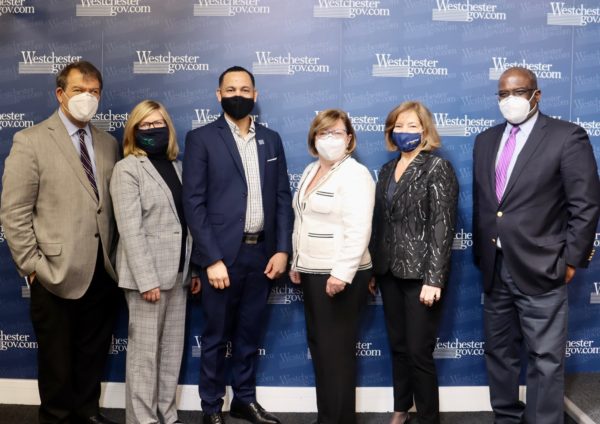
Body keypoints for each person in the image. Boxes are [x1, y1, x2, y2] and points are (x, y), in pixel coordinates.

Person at [473, 66, 600, 424]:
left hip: (543, 266)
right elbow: (487, 205)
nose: (509, 100)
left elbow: (585, 204)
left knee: (545, 358)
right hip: (495, 269)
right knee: (499, 352)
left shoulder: (566, 136)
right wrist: (484, 256)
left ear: (536, 95)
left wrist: (571, 259)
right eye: (503, 94)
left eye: (518, 91)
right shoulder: (485, 141)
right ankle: (507, 418)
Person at [0, 61, 120, 424]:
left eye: (94, 91)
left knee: (92, 353)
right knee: (56, 361)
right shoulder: (32, 140)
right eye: (79, 90)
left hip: (101, 269)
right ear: (60, 94)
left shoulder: (108, 143)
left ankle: (87, 411)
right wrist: (32, 267)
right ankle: (56, 417)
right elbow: (14, 211)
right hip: (53, 272)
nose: (87, 98)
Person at [182, 66, 293, 424]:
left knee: (249, 333)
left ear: (255, 95)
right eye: (231, 88)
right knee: (215, 336)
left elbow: (281, 197)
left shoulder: (271, 140)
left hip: (261, 254)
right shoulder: (201, 138)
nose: (238, 94)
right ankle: (211, 406)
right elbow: (193, 203)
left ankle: (244, 399)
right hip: (221, 257)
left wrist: (281, 249)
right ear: (218, 95)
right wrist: (211, 259)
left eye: (245, 89)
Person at [110, 100, 201, 424]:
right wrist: (146, 279)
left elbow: (184, 224)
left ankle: (167, 412)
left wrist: (191, 270)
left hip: (178, 275)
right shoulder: (127, 169)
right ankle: (143, 419)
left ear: (168, 127)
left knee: (171, 352)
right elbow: (130, 229)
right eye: (144, 125)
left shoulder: (176, 167)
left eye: (157, 123)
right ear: (134, 131)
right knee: (144, 357)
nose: (152, 130)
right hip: (146, 279)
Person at [369, 101, 458, 424]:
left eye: (412, 126)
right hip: (389, 272)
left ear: (425, 130)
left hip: (422, 275)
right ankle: (401, 408)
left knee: (420, 351)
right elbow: (381, 223)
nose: (405, 132)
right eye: (399, 126)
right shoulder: (385, 171)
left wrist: (434, 279)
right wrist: (374, 269)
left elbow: (442, 227)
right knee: (398, 346)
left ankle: (428, 417)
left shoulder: (437, 168)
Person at [288, 109, 375, 424]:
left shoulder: (356, 174)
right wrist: (297, 261)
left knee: (336, 354)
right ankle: (328, 417)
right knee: (322, 350)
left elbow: (359, 230)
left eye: (337, 133)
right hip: (312, 272)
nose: (330, 139)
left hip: (339, 275)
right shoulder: (312, 169)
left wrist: (341, 274)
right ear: (314, 139)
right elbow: (302, 220)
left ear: (349, 138)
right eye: (324, 133)